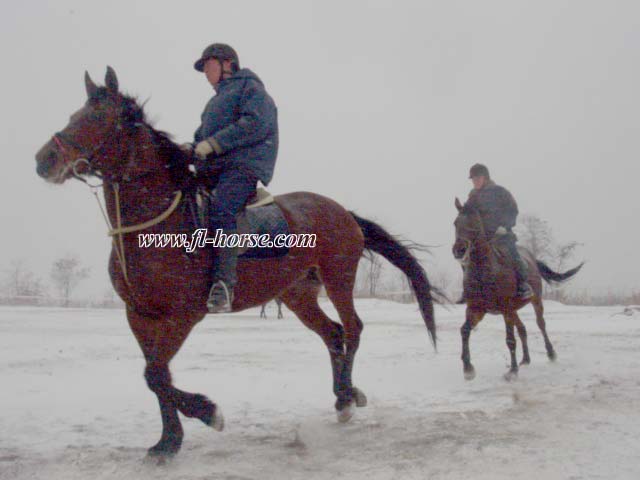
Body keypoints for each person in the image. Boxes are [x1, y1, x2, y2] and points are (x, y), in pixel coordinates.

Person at [188, 43, 279, 313]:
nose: (205, 72)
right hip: (216, 168)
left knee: (221, 208)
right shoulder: (214, 102)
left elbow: (255, 123)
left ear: (228, 64)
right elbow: (200, 138)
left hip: (244, 165)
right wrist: (189, 150)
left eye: (208, 65)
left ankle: (224, 285)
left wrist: (212, 144)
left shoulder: (250, 88)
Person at [465, 163, 533, 299]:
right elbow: (467, 215)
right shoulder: (472, 196)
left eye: (477, 178)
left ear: (485, 178)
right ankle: (469, 289)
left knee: (512, 254)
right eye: (473, 179)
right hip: (481, 237)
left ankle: (523, 285)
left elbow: (513, 210)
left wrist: (505, 226)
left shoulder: (500, 192)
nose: (475, 182)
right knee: (467, 257)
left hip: (501, 235)